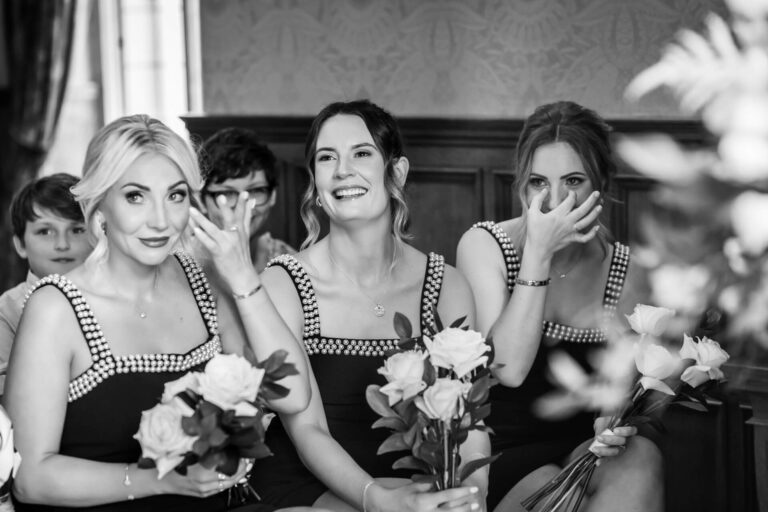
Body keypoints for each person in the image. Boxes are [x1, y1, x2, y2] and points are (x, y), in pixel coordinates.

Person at [3, 114, 313, 512]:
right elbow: (30, 478)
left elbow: (293, 395)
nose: (161, 220)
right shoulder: (55, 308)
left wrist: (241, 276)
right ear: (100, 206)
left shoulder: (205, 281)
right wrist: (162, 481)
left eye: (176, 195)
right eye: (136, 196)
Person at [249, 100, 488, 512]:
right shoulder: (283, 282)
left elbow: (471, 418)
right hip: (305, 488)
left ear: (396, 171)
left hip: (417, 489)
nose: (343, 170)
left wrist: (473, 494)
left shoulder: (446, 284)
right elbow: (307, 429)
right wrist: (374, 498)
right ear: (315, 180)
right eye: (327, 158)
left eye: (361, 153)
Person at [456, 101, 663, 512]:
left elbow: (631, 390)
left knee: (641, 457)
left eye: (573, 181)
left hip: (586, 447)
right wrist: (538, 254)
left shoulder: (628, 270)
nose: (553, 201)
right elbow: (508, 369)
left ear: (601, 183)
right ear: (520, 186)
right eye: (537, 182)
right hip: (500, 455)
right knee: (562, 498)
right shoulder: (485, 247)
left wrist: (616, 417)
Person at [0, 173, 92, 394]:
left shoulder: (119, 297)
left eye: (77, 230)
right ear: (20, 245)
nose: (62, 244)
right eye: (45, 231)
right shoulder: (7, 311)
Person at [199, 128, 296, 272]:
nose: (242, 207)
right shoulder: (181, 265)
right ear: (201, 200)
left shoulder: (286, 261)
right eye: (227, 193)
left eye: (255, 191)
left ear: (273, 196)